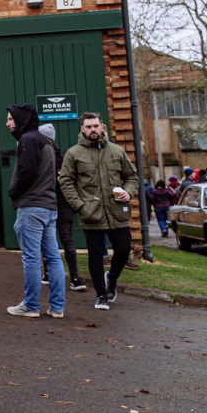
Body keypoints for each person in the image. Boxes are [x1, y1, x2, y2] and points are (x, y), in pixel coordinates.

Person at [59, 112, 139, 310]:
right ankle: (101, 294)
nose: (93, 130)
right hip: (90, 212)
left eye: (96, 126)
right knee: (95, 254)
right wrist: (79, 205)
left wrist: (128, 193)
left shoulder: (116, 151)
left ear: (102, 127)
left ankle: (111, 277)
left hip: (117, 211)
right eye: (88, 127)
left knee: (123, 248)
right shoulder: (73, 153)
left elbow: (132, 177)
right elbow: (66, 182)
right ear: (82, 129)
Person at [3, 105, 65, 318]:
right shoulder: (43, 142)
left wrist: (13, 191)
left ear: (20, 120)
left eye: (11, 119)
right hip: (48, 207)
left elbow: (26, 172)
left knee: (31, 258)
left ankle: (30, 306)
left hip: (32, 208)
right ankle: (57, 307)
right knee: (53, 257)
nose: (7, 123)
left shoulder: (28, 139)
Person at [39, 123, 84, 291]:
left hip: (63, 203)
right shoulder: (37, 155)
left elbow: (78, 179)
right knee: (47, 240)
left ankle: (74, 277)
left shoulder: (65, 156)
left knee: (67, 239)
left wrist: (65, 178)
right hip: (45, 203)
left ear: (49, 139)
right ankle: (48, 273)